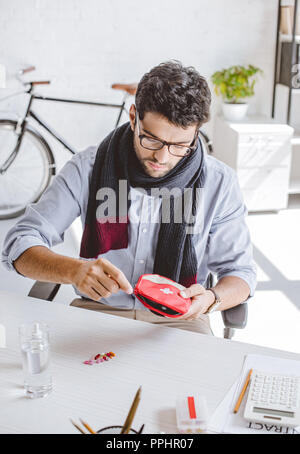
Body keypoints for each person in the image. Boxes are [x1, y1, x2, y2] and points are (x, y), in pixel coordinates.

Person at [1, 61, 256, 335]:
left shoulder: (219, 182)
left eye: (180, 146)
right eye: (152, 140)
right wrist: (73, 270)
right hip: (99, 313)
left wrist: (212, 299)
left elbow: (241, 273)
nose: (162, 157)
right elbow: (19, 244)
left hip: (181, 321)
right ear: (133, 117)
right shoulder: (87, 168)